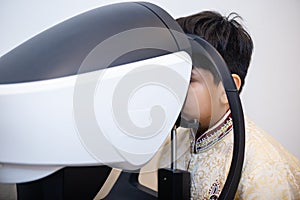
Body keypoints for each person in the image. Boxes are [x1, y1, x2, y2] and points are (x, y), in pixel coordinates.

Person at [158, 11, 300, 199]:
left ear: (227, 88)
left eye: (188, 78)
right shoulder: (174, 143)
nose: (175, 88)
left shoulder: (264, 168)